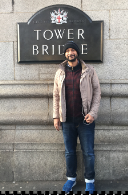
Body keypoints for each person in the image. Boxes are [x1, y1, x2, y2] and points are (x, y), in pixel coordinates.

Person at [52, 41, 101, 193]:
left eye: (73, 50)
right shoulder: (60, 72)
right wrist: (56, 117)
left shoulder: (89, 70)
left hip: (85, 120)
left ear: (77, 53)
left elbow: (97, 92)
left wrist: (92, 114)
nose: (70, 53)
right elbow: (55, 95)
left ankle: (90, 181)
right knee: (69, 152)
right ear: (65, 54)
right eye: (67, 51)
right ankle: (71, 178)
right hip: (66, 121)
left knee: (88, 152)